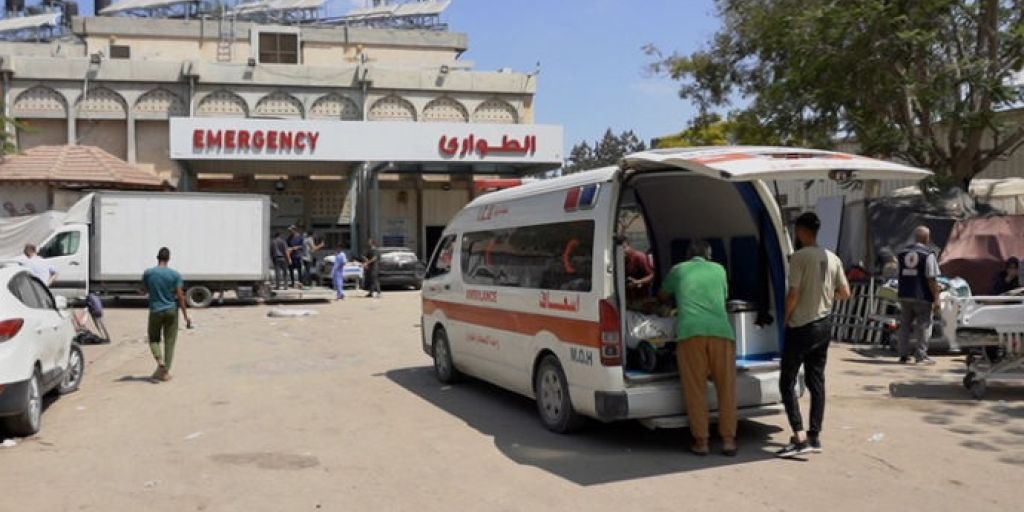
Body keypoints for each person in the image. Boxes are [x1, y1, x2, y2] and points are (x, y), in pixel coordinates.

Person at [776, 212, 851, 458]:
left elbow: (793, 294)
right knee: (816, 381)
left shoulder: (799, 257)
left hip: (801, 326)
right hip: (824, 325)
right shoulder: (832, 257)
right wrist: (824, 295)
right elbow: (845, 293)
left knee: (787, 381)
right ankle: (814, 436)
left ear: (801, 231)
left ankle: (799, 436)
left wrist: (785, 318)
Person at [657, 240, 737, 456]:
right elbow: (724, 296)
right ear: (709, 255)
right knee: (726, 388)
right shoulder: (719, 269)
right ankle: (729, 440)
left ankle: (702, 442)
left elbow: (662, 295)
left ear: (688, 255)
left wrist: (671, 301)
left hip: (690, 332)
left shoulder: (678, 270)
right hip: (721, 332)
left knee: (696, 388)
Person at [141, 247, 192, 382]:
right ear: (169, 258)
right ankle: (165, 373)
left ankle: (159, 360)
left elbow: (144, 291)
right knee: (170, 343)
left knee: (153, 339)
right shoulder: (175, 275)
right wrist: (185, 316)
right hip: (171, 310)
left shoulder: (148, 273)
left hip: (155, 310)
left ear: (157, 258)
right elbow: (180, 296)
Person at [896, 226, 942, 366]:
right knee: (923, 326)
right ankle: (921, 356)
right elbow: (931, 278)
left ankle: (903, 355)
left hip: (905, 294)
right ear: (927, 238)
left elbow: (899, 274)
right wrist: (937, 298)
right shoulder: (928, 254)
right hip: (922, 296)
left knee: (904, 326)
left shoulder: (902, 253)